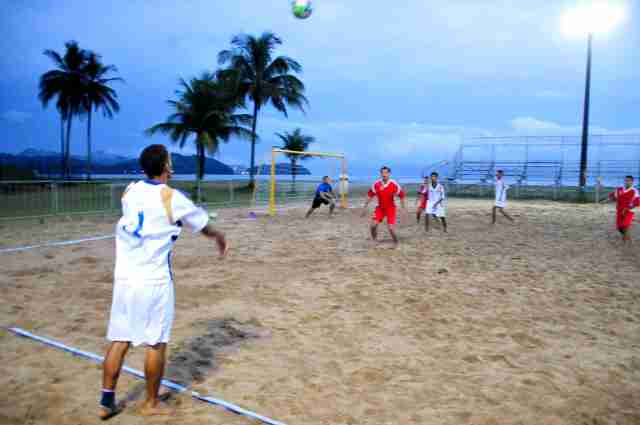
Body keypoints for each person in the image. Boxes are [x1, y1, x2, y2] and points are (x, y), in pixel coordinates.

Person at [99, 144, 227, 419]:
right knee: (155, 343)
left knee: (119, 339)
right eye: (169, 161)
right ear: (166, 166)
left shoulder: (130, 190)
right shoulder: (172, 197)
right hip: (153, 280)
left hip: (124, 279)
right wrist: (218, 236)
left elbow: (143, 212)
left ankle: (105, 402)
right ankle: (151, 403)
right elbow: (202, 224)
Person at [361, 166, 407, 245]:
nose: (384, 174)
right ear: (380, 174)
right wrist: (365, 207)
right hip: (380, 208)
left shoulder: (393, 184)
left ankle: (396, 242)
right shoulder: (376, 184)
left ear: (389, 174)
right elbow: (370, 195)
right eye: (382, 172)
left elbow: (401, 195)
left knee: (391, 228)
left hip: (390, 208)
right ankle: (374, 240)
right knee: (372, 225)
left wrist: (403, 208)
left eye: (386, 172)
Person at [605, 175, 640, 244]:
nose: (627, 182)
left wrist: (628, 208)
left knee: (625, 225)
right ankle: (628, 238)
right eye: (626, 180)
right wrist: (608, 200)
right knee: (619, 227)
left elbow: (637, 202)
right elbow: (613, 197)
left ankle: (625, 242)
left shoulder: (634, 191)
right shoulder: (619, 189)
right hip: (619, 210)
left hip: (629, 211)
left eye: (629, 181)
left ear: (632, 182)